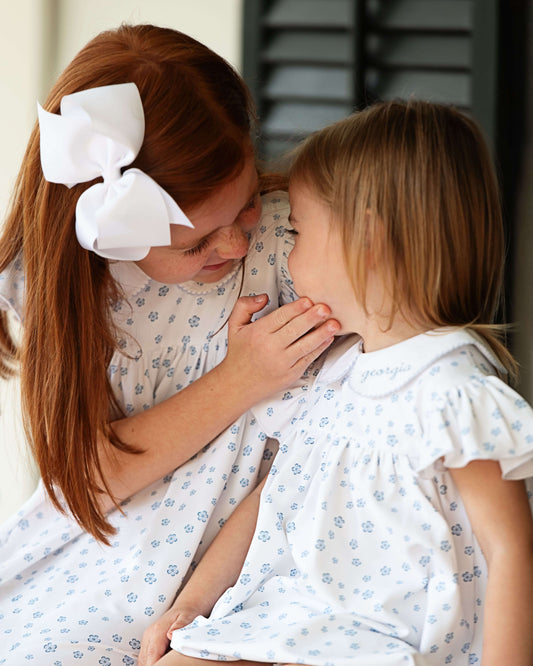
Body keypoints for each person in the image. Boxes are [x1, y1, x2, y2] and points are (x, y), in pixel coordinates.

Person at [141, 100, 533, 666]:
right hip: (294, 618)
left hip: (379, 639)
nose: (285, 251)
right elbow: (271, 498)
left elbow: (512, 546)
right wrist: (193, 604)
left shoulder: (450, 389)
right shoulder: (332, 374)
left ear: (366, 240)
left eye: (298, 230)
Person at [0, 24, 340, 664]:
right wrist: (241, 381)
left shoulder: (296, 240)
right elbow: (91, 479)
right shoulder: (84, 290)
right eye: (195, 244)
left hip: (276, 537)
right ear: (114, 231)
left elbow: (338, 436)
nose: (236, 247)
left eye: (241, 209)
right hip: (121, 549)